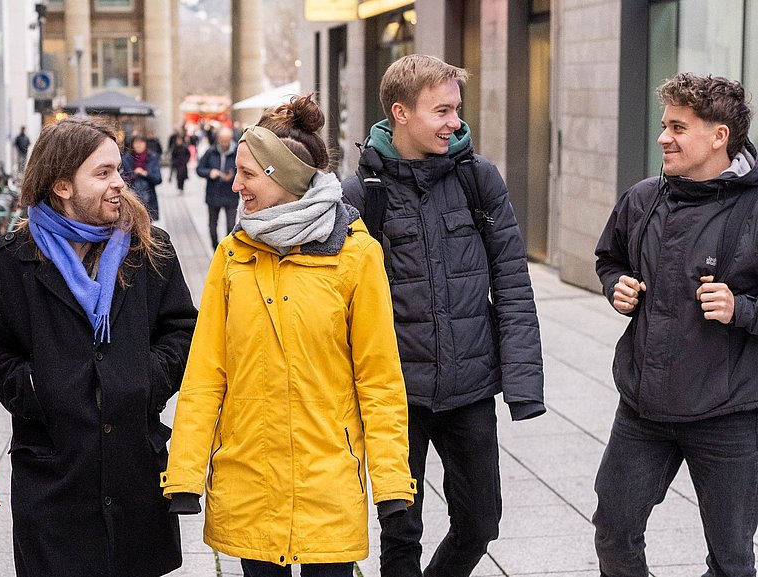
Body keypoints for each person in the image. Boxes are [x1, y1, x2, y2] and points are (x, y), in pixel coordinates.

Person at [160, 94, 416, 576]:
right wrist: (185, 473)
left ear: (282, 178)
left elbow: (379, 380)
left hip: (329, 481)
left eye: (247, 174)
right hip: (249, 478)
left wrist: (391, 484)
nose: (235, 185)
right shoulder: (233, 256)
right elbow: (205, 374)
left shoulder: (356, 255)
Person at [341, 54, 545, 577]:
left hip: (469, 388)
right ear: (401, 112)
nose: (456, 122)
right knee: (401, 534)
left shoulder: (480, 179)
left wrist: (523, 383)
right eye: (442, 111)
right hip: (395, 395)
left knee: (480, 524)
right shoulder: (360, 194)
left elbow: (512, 281)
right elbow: (341, 303)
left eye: (456, 109)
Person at [0, 116, 197, 577]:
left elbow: (183, 330)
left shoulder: (149, 249)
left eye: (118, 171)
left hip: (135, 476)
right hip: (52, 483)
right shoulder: (9, 263)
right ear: (62, 185)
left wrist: (146, 378)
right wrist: (33, 385)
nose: (119, 184)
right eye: (102, 173)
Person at [593, 72, 758, 576]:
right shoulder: (644, 198)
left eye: (678, 128)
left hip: (729, 411)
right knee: (613, 532)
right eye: (665, 125)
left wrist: (743, 308)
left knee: (731, 558)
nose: (663, 137)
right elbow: (609, 258)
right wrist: (616, 284)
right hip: (644, 406)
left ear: (719, 136)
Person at [196, 126, 237, 249]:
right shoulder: (211, 151)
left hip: (231, 195)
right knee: (212, 227)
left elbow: (245, 170)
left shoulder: (237, 152)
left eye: (227, 140)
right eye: (222, 140)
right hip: (213, 194)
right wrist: (210, 173)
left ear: (231, 139)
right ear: (218, 139)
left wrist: (233, 175)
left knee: (231, 227)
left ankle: (228, 250)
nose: (224, 143)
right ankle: (216, 250)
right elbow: (199, 169)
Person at [121, 134, 163, 221]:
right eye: (136, 142)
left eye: (141, 142)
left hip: (149, 199)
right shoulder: (126, 159)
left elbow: (158, 179)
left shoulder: (152, 158)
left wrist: (145, 174)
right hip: (131, 198)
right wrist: (134, 173)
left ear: (146, 144)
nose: (139, 145)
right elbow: (122, 178)